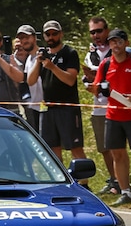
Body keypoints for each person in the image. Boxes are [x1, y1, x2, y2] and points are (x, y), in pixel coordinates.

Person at [91, 29, 131, 206]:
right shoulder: (105, 64)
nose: (115, 46)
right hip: (112, 116)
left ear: (126, 43)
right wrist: (94, 88)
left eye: (118, 42)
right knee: (117, 155)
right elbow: (97, 87)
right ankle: (125, 191)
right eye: (112, 42)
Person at [28, 20, 87, 170]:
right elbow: (31, 80)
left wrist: (52, 67)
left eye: (54, 34)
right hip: (48, 109)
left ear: (60, 34)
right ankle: (61, 179)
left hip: (67, 107)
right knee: (53, 149)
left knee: (75, 148)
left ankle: (84, 183)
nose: (51, 37)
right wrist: (38, 61)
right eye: (48, 34)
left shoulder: (69, 53)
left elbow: (70, 80)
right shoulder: (42, 55)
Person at [82, 17, 118, 195]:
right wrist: (91, 84)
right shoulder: (91, 54)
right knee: (104, 148)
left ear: (107, 30)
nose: (96, 35)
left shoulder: (117, 50)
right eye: (92, 32)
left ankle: (122, 182)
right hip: (99, 106)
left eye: (99, 31)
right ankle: (113, 179)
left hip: (117, 105)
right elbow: (86, 81)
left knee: (117, 147)